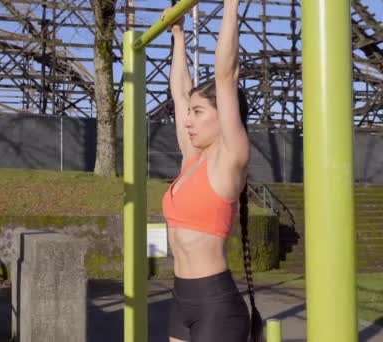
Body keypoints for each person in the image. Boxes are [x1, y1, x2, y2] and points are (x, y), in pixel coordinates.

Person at [161, 1, 263, 341]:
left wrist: (231, 6)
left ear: (224, 117)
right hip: (180, 300)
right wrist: (178, 37)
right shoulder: (192, 158)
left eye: (198, 112)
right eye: (189, 113)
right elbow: (178, 93)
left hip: (215, 305)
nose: (188, 120)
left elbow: (225, 76)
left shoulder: (231, 157)